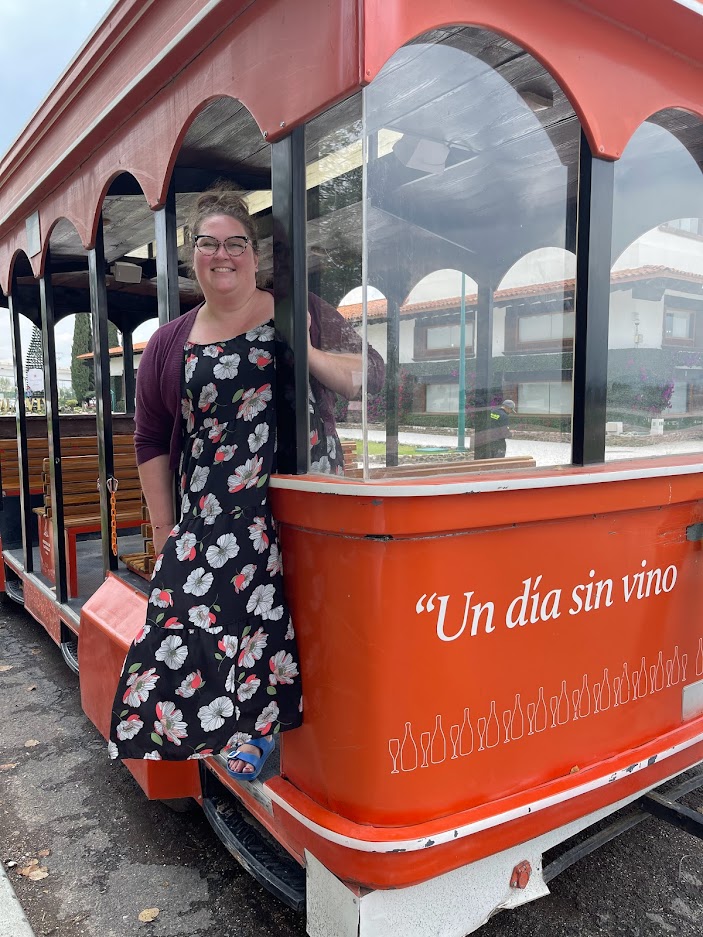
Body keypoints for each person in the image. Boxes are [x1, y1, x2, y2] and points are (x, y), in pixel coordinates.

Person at [108, 184, 383, 779]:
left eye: (236, 243)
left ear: (255, 256)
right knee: (188, 621)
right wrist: (163, 530)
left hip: (303, 498)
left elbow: (373, 380)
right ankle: (244, 730)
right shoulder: (167, 342)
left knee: (308, 621)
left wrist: (304, 350)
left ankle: (302, 734)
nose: (222, 254)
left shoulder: (301, 308)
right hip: (214, 511)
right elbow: (151, 439)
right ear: (192, 256)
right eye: (209, 243)